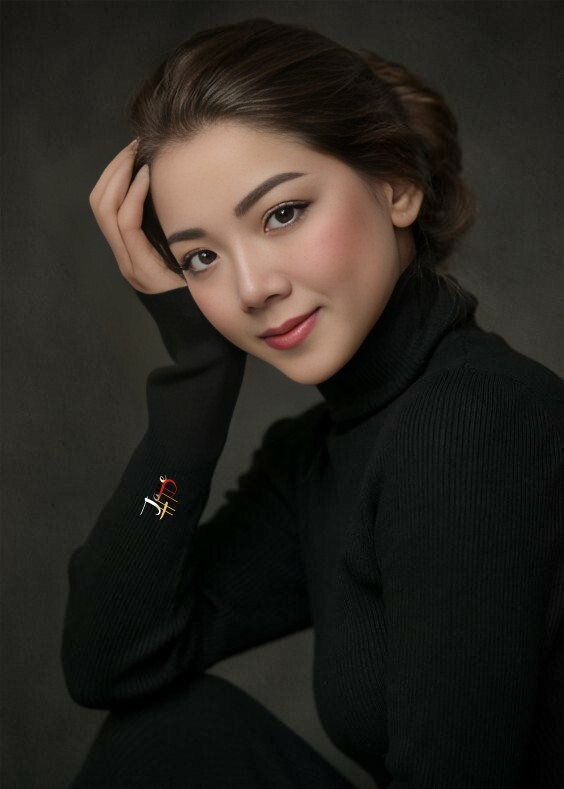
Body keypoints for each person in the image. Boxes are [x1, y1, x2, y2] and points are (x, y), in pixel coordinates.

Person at [61, 17, 564, 788]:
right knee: (168, 738)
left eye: (282, 213)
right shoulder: (322, 457)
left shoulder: (473, 422)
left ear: (396, 185)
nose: (251, 287)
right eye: (202, 256)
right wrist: (196, 386)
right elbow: (112, 657)